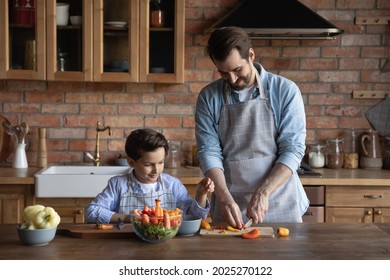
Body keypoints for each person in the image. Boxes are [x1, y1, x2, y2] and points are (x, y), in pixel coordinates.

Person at [195, 26, 309, 228]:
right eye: (223, 72)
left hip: (279, 196)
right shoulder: (208, 96)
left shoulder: (285, 90)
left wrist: (264, 192)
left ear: (251, 55)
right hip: (230, 199)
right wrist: (223, 197)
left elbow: (293, 148)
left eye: (237, 69)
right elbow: (208, 151)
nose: (231, 79)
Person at [85, 128, 214, 224]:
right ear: (131, 162)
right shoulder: (118, 185)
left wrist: (201, 195)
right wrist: (126, 218)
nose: (156, 170)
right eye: (148, 164)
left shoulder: (172, 185)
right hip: (126, 246)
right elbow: (91, 212)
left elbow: (194, 216)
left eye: (161, 162)